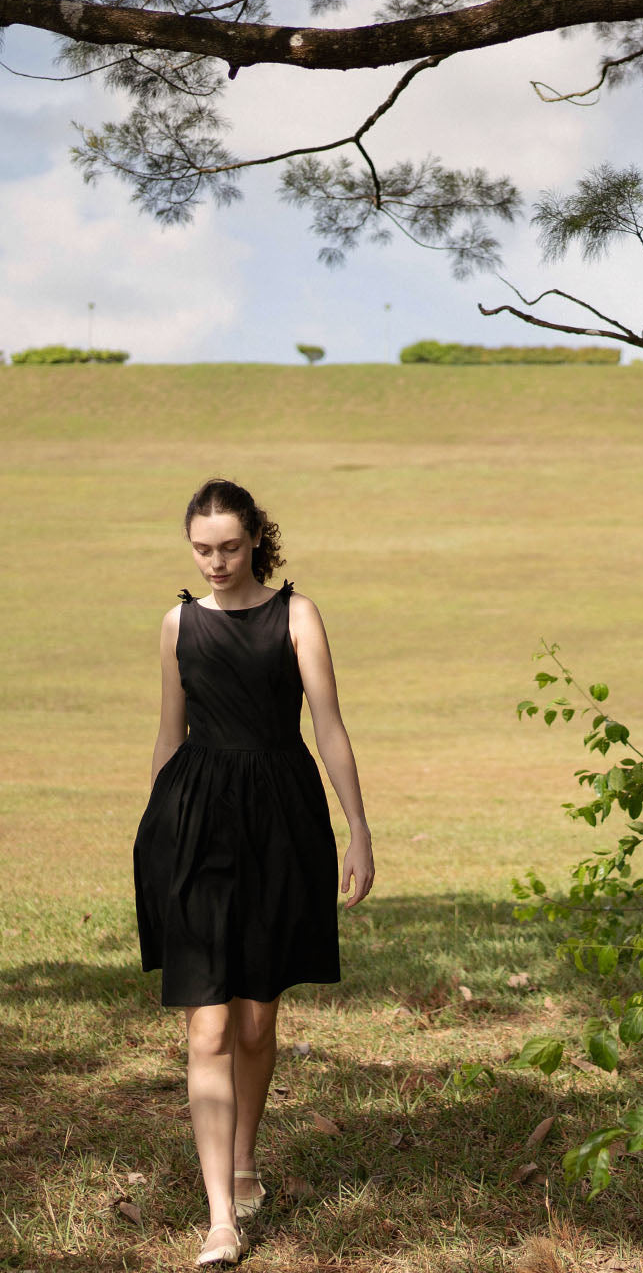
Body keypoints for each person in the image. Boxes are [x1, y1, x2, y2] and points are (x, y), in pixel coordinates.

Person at [133, 478, 374, 1266]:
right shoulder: (177, 625)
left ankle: (244, 1158)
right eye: (202, 549)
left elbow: (329, 726)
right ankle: (220, 1222)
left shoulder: (296, 615)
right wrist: (153, 836)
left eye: (228, 547)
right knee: (207, 1024)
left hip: (281, 820)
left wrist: (359, 828)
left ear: (255, 540)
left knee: (256, 1022)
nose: (215, 562)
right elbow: (170, 738)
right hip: (196, 824)